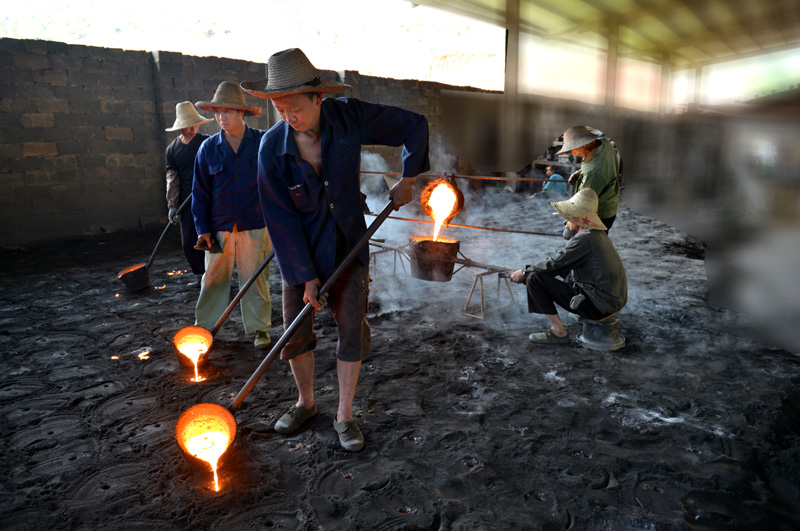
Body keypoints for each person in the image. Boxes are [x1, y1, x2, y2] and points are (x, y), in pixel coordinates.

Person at [242, 48, 430, 452]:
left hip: (349, 244)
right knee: (295, 334)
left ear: (318, 98)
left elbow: (414, 126)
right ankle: (306, 402)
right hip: (301, 252)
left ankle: (344, 414)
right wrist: (304, 274)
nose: (288, 116)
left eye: (295, 108)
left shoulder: (348, 117)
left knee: (351, 331)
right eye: (280, 108)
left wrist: (409, 176)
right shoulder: (270, 149)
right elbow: (280, 218)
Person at [192, 81, 273, 348]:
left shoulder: (262, 143)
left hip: (255, 223)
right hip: (220, 226)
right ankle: (206, 328)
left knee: (255, 278)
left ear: (242, 113)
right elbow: (200, 192)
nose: (221, 117)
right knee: (213, 278)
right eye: (217, 112)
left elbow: (277, 183)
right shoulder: (207, 148)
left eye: (227, 111)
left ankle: (260, 329)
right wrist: (203, 228)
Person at [509, 188, 627, 345]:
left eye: (568, 217)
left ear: (578, 218)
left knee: (535, 279)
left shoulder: (583, 240)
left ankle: (558, 332)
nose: (566, 221)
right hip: (612, 301)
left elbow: (553, 263)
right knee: (563, 271)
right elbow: (560, 265)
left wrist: (524, 272)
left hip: (600, 306)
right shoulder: (596, 235)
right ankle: (576, 313)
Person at [164, 102, 213, 285]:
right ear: (180, 127)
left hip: (208, 196)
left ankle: (213, 275)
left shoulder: (206, 142)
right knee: (189, 242)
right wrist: (173, 205)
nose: (193, 129)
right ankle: (200, 275)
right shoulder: (172, 150)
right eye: (188, 126)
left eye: (195, 125)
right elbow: (172, 177)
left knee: (209, 237)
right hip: (186, 199)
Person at [556, 125, 620, 235]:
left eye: (573, 149)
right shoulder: (604, 143)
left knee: (589, 246)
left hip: (598, 216)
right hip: (610, 206)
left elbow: (582, 203)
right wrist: (581, 172)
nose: (573, 153)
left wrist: (568, 226)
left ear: (584, 144)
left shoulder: (593, 172)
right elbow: (600, 164)